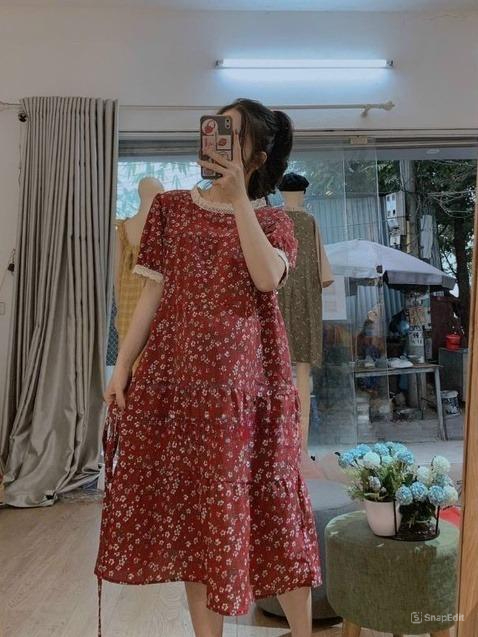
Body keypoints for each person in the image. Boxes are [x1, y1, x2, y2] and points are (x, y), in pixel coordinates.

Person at [94, 98, 322, 637]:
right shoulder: (171, 210)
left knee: (277, 513)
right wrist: (122, 367)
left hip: (251, 393)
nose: (219, 141)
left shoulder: (275, 222)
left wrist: (240, 198)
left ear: (257, 156)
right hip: (181, 389)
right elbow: (152, 295)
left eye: (234, 135)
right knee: (201, 520)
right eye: (217, 129)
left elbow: (266, 278)